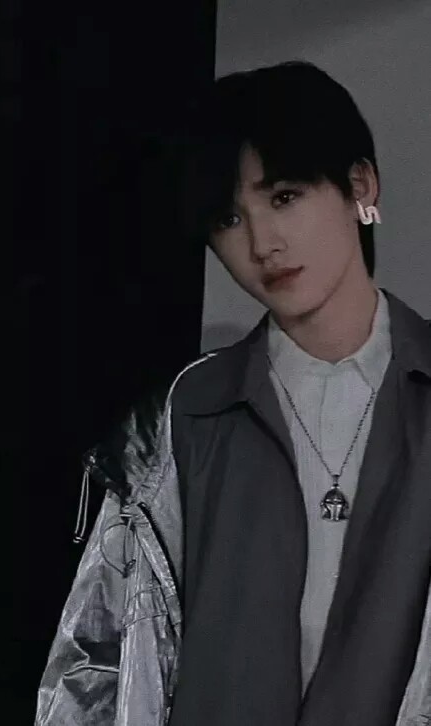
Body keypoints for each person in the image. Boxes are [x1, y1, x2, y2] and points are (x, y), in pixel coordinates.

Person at [35, 61, 431, 726]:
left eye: (284, 197)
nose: (262, 243)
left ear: (360, 186)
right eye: (228, 218)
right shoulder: (181, 417)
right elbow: (95, 664)